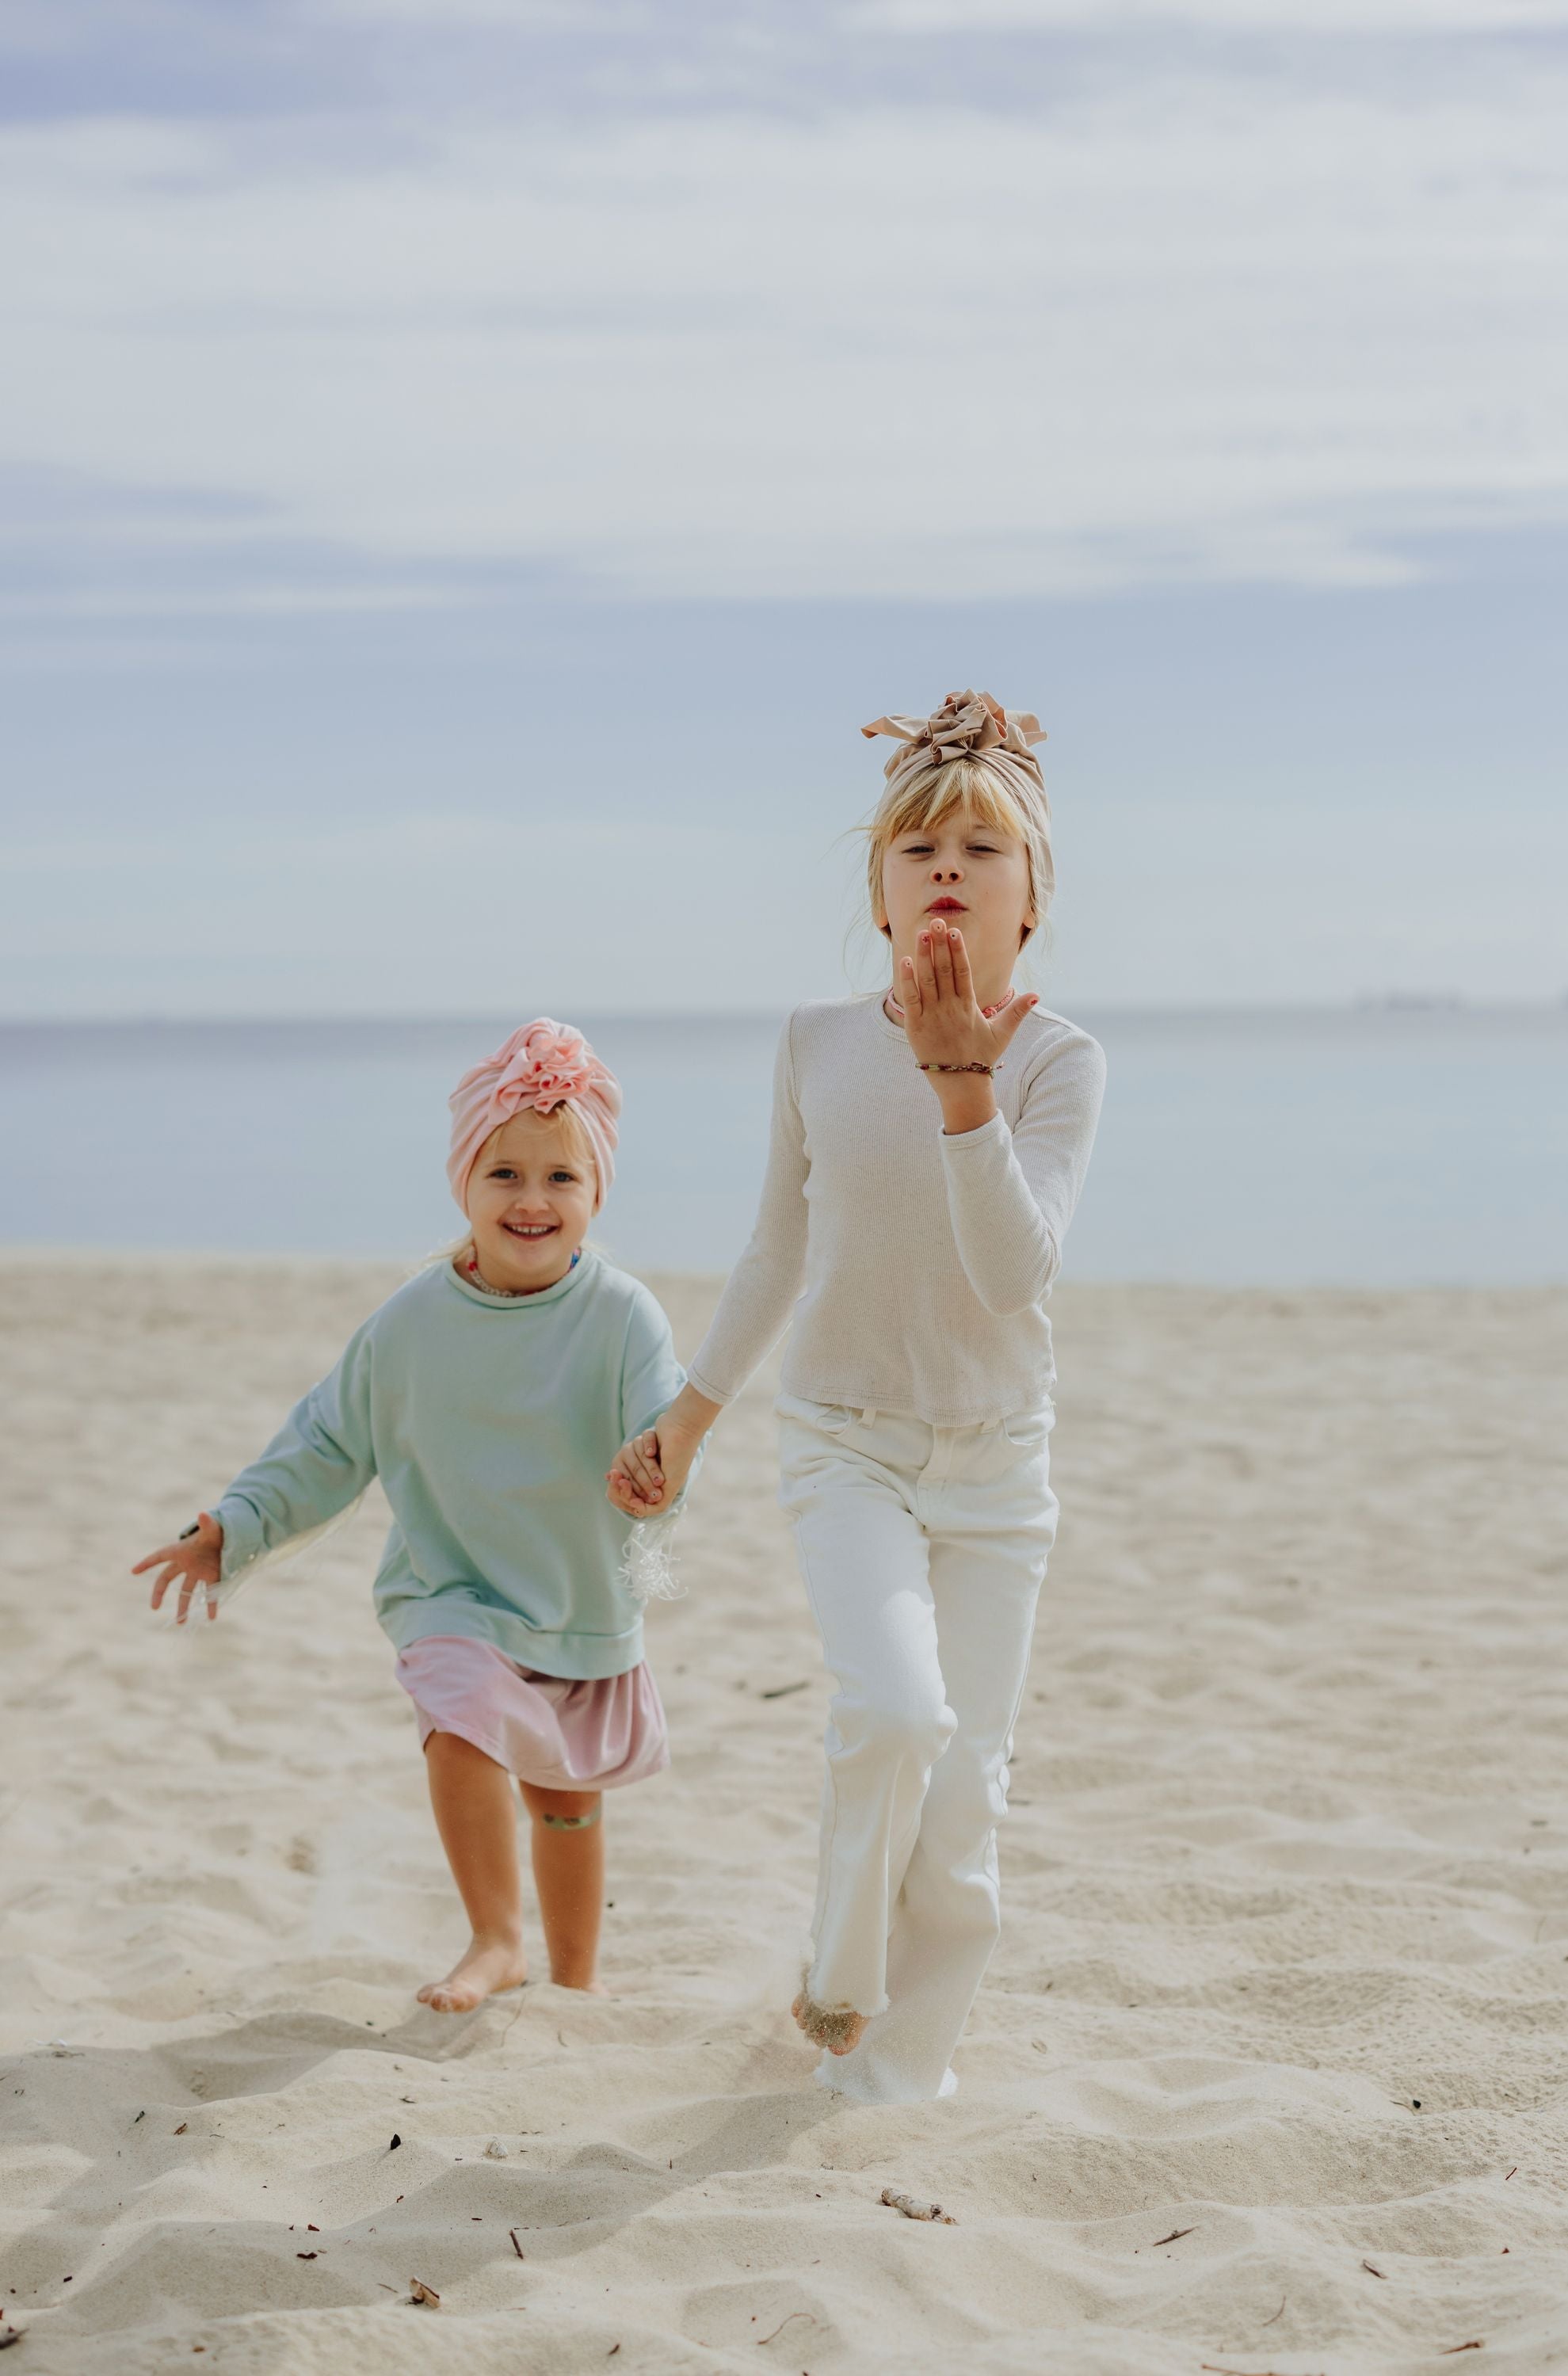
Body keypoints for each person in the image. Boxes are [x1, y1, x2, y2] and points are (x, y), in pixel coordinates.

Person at [608, 691, 1106, 2102]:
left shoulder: (1060, 1060)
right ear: (881, 892)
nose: (947, 861)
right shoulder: (815, 1042)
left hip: (999, 1465)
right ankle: (839, 1967)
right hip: (844, 1441)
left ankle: (894, 2086)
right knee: (894, 1710)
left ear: (1032, 899)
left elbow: (1017, 1271)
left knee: (967, 1803)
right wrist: (692, 1414)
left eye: (983, 845)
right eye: (917, 844)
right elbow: (780, 1243)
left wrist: (965, 1090)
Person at [134, 1019, 684, 2014]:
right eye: (504, 1173)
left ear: (596, 1191)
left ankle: (578, 1976)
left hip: (578, 1593)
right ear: (462, 1184)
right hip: (453, 1591)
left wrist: (654, 1469)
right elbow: (327, 1441)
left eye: (561, 1177)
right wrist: (232, 1524)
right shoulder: (412, 1321)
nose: (531, 1199)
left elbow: (661, 1428)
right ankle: (493, 1937)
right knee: (458, 1716)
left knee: (565, 1798)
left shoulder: (624, 1315)